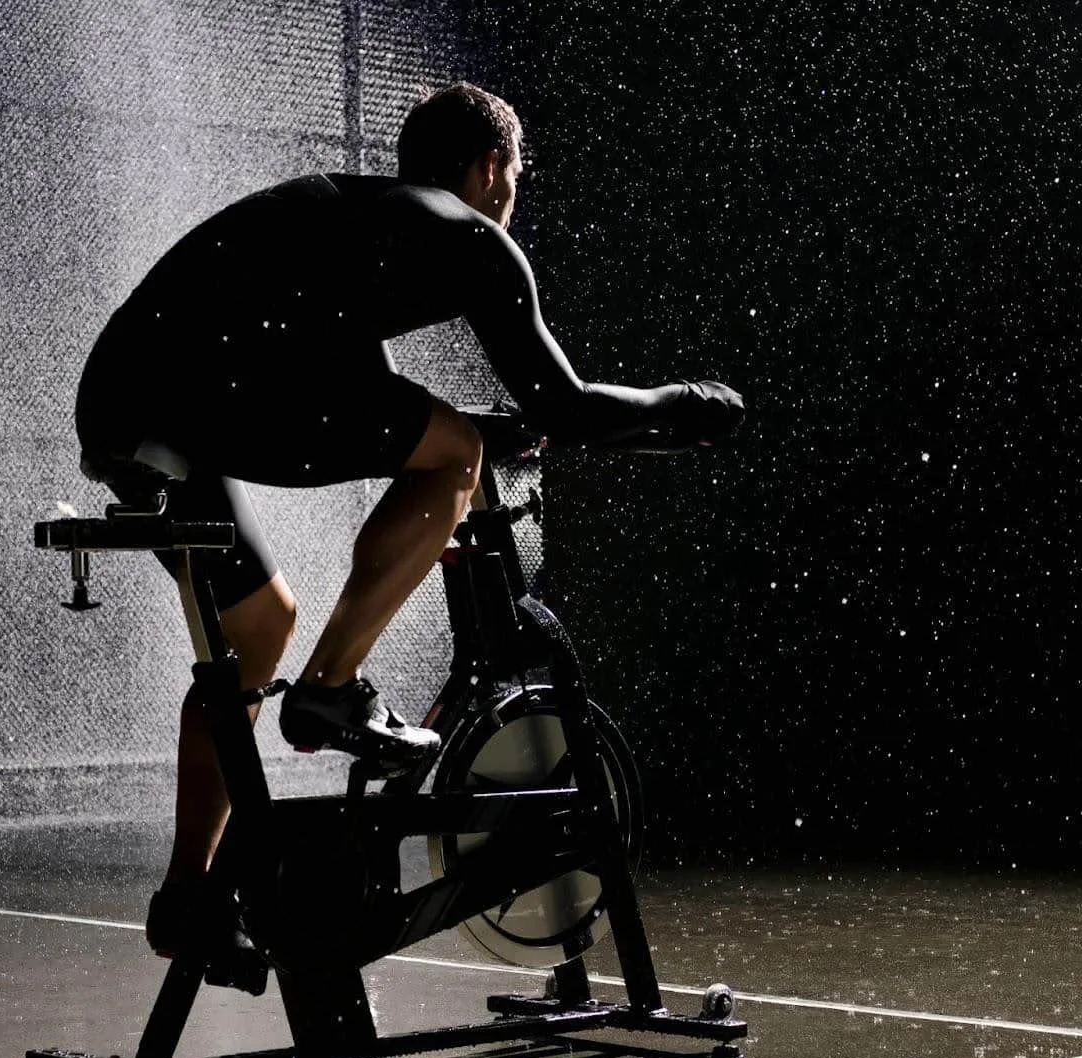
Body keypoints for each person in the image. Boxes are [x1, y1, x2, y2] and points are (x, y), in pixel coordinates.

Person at [74, 82, 744, 962]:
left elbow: (364, 397)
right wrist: (684, 401)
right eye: (514, 177)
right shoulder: (473, 238)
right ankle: (332, 688)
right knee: (455, 452)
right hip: (207, 392)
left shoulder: (349, 221)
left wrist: (487, 427)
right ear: (491, 166)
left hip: (126, 402)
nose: (512, 198)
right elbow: (573, 406)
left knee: (257, 625)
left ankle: (189, 898)